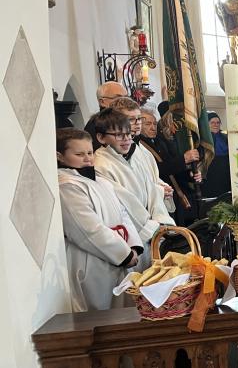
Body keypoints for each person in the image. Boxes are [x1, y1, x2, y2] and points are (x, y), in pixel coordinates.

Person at [57, 128, 143, 311]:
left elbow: (123, 214)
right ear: (60, 156)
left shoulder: (100, 181)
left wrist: (133, 245)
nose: (87, 158)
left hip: (119, 255)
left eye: (89, 152)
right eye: (79, 154)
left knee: (125, 311)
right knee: (101, 314)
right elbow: (87, 229)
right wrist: (123, 254)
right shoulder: (67, 185)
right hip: (92, 259)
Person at [93, 110, 174, 265]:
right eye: (118, 135)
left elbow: (150, 188)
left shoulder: (133, 156)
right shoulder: (102, 165)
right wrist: (153, 226)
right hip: (133, 237)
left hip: (151, 230)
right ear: (101, 137)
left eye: (129, 134)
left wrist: (159, 196)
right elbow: (124, 204)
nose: (126, 140)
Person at [140, 107, 202, 225]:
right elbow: (159, 170)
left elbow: (174, 168)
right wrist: (184, 159)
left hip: (177, 195)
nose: (153, 127)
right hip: (160, 197)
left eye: (154, 123)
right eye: (148, 124)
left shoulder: (160, 142)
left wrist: (191, 175)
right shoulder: (140, 146)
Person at [86, 81, 129, 149]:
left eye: (126, 98)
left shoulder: (122, 120)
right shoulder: (97, 123)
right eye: (118, 98)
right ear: (102, 102)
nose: (124, 102)